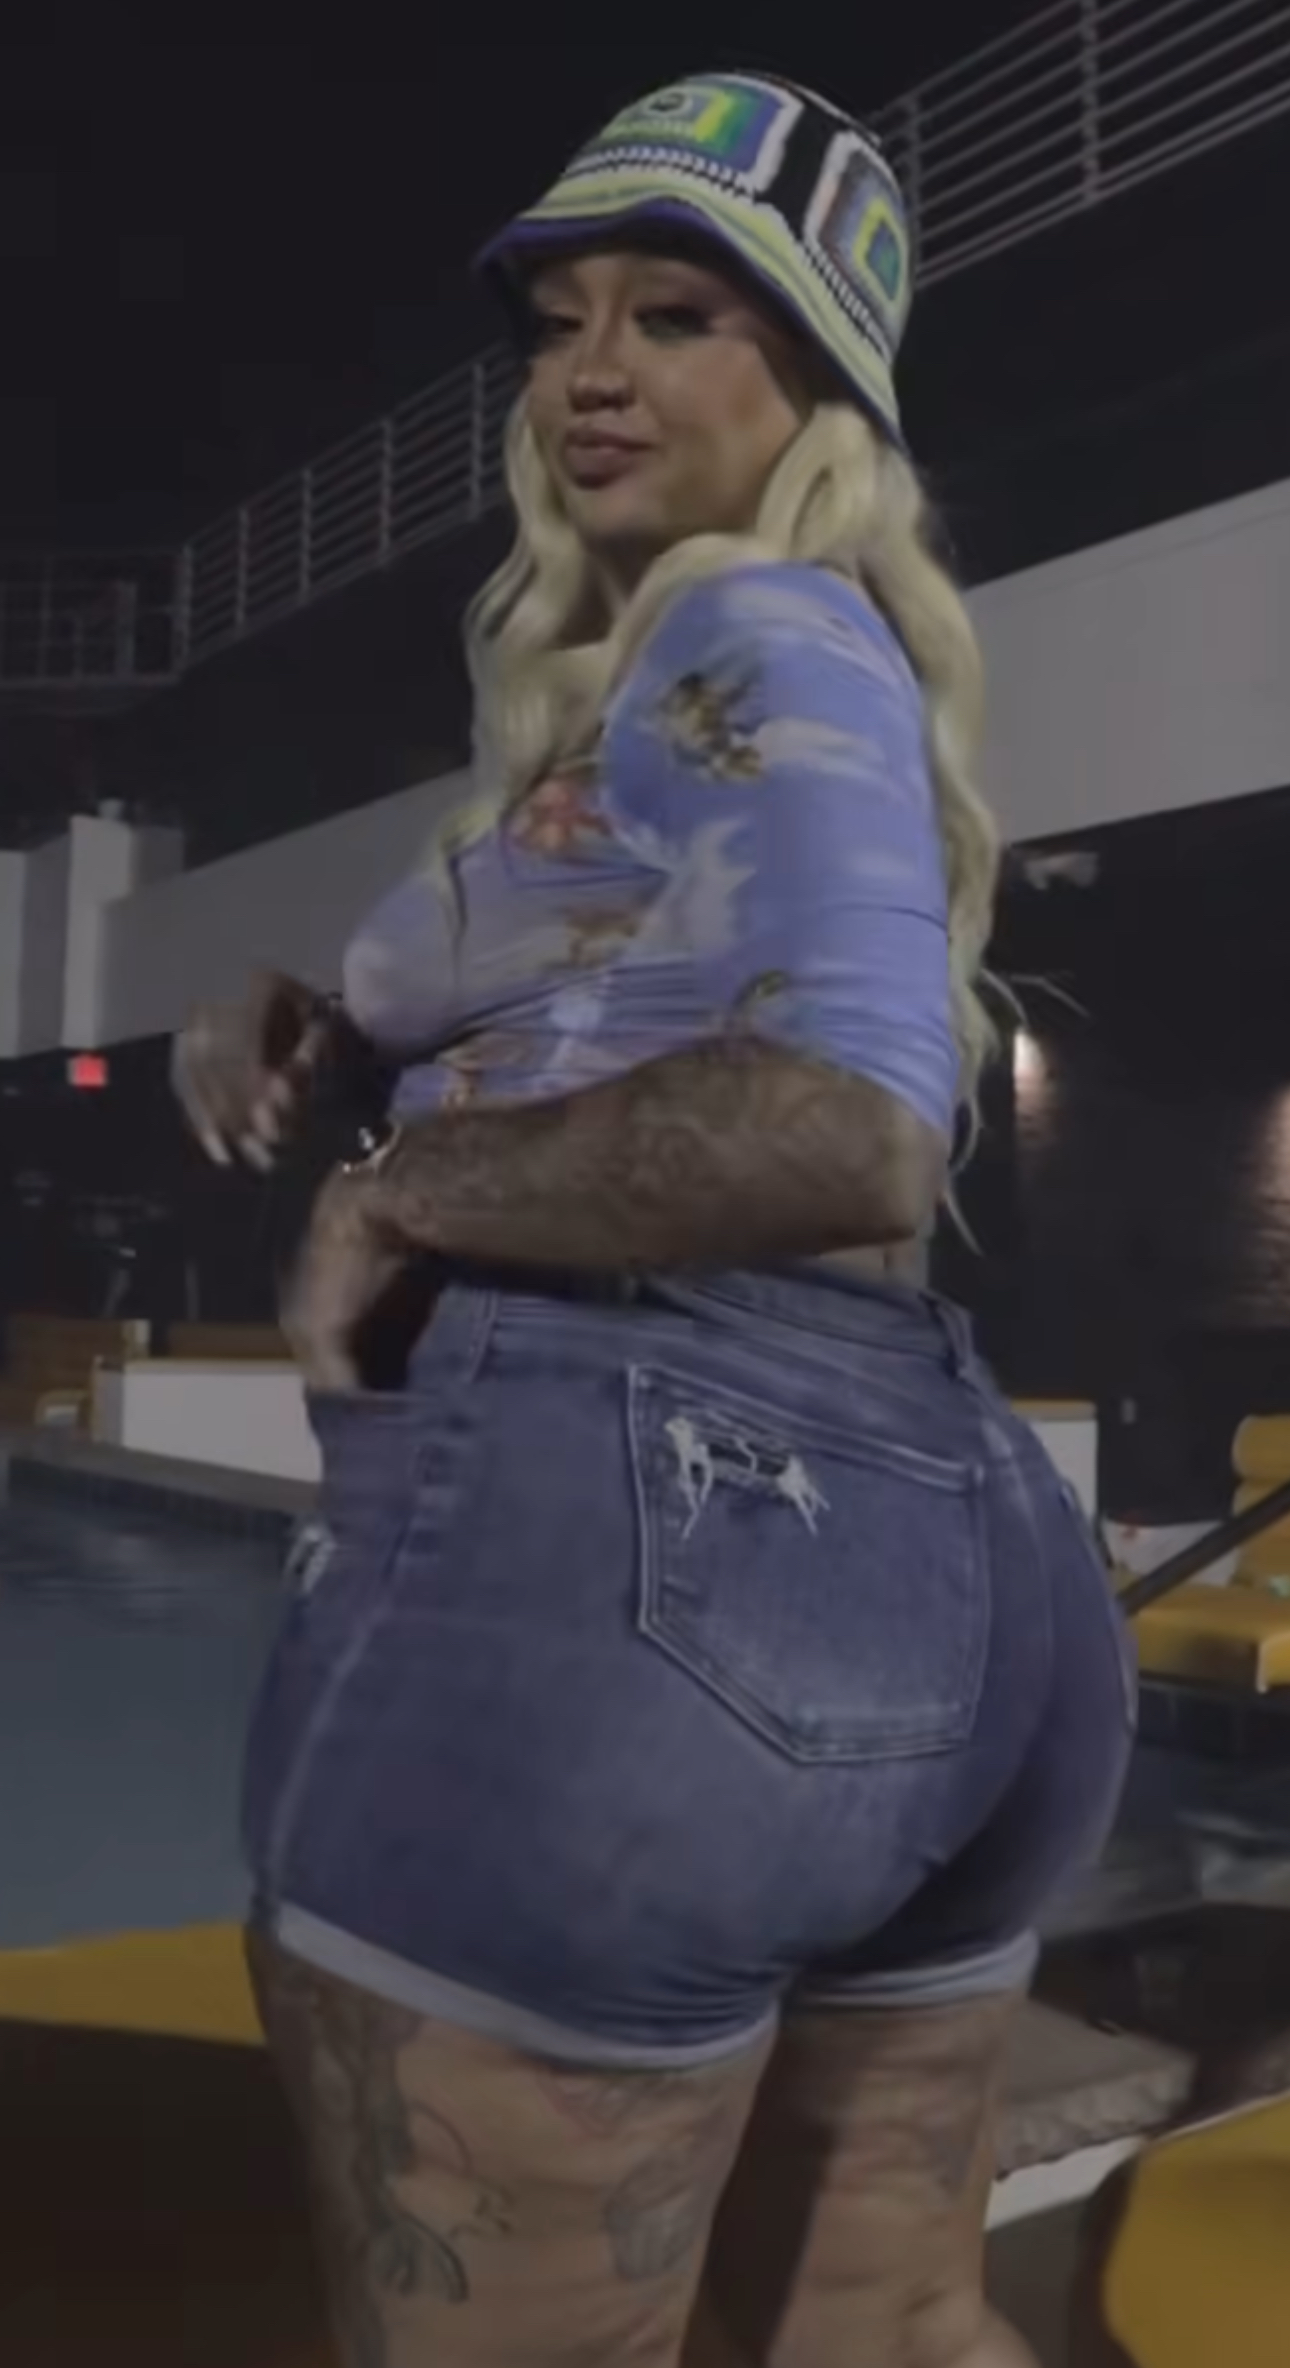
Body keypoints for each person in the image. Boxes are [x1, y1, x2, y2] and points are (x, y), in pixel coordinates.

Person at [173, 71, 1135, 2368]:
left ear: (817, 384)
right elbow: (621, 1009)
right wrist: (312, 1020)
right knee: (888, 2326)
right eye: (562, 320)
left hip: (634, 1550)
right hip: (948, 1557)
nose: (591, 370)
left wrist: (402, 1191)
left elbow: (852, 1123)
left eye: (680, 316)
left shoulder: (757, 624)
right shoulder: (663, 706)